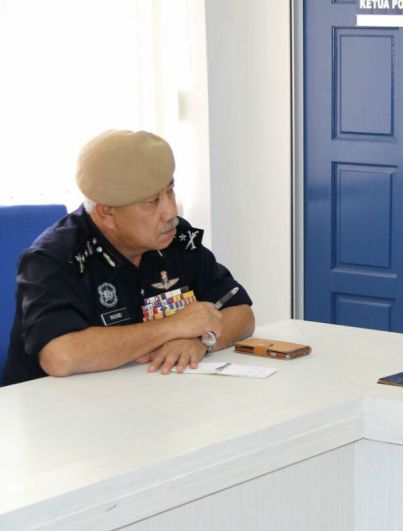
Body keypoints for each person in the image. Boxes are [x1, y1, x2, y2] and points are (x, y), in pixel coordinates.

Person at [2, 130, 255, 386]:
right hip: (57, 414)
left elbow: (241, 313)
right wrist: (174, 327)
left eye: (170, 191)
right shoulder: (54, 258)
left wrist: (200, 341)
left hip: (152, 399)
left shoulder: (174, 238)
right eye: (152, 201)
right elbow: (60, 357)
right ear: (107, 213)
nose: (170, 212)